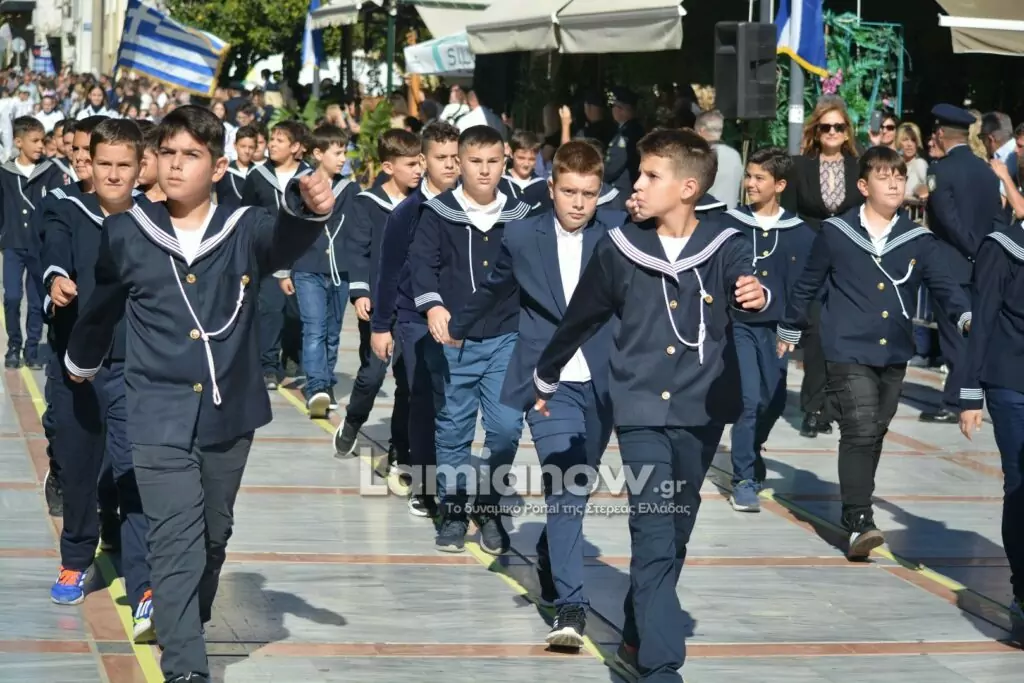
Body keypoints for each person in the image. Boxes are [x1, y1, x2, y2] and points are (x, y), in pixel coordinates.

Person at [62, 105, 336, 683]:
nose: (176, 164)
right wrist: (81, 358)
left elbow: (284, 238)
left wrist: (307, 207)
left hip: (227, 411)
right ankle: (186, 666)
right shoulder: (127, 231)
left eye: (191, 154)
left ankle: (186, 615)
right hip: (155, 409)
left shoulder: (245, 227)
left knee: (212, 534)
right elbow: (102, 304)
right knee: (172, 539)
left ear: (217, 167)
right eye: (167, 153)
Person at [533, 129, 767, 682]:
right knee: (653, 531)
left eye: (650, 175)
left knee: (677, 532)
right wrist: (545, 373)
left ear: (687, 188)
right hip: (638, 409)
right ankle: (662, 668)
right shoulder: (620, 245)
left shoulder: (725, 242)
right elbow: (582, 315)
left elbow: (751, 282)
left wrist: (757, 294)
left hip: (700, 409)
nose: (636, 184)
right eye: (639, 173)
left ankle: (639, 632)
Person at [446, 141, 623, 648]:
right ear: (551, 187)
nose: (578, 203)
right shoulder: (523, 235)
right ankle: (571, 607)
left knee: (577, 487)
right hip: (548, 382)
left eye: (589, 194)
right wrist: (457, 326)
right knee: (566, 485)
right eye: (569, 192)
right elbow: (495, 286)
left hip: (603, 381)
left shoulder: (617, 236)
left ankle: (550, 550)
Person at [777, 146, 970, 559]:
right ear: (864, 186)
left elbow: (945, 287)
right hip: (847, 347)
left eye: (899, 177)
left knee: (876, 430)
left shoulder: (918, 239)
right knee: (860, 427)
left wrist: (966, 316)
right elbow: (808, 282)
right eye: (885, 177)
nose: (895, 184)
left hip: (893, 350)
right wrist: (791, 327)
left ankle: (858, 506)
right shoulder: (837, 232)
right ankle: (858, 520)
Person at [42, 118, 157, 641]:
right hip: (77, 368)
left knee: (135, 471)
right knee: (78, 468)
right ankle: (75, 560)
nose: (112, 174)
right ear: (87, 162)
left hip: (137, 367)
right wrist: (56, 280)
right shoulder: (67, 208)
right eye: (103, 163)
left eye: (123, 165)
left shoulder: (155, 220)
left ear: (140, 166)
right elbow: (53, 252)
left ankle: (145, 584)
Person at [408, 124, 531, 554]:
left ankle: (489, 505)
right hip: (453, 341)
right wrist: (433, 306)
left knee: (506, 428)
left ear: (505, 162)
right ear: (458, 163)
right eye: (475, 161)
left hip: (506, 336)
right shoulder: (437, 212)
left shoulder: (521, 213)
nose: (484, 170)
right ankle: (455, 512)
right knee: (454, 429)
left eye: (493, 161)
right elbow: (421, 266)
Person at [368, 120, 461, 517]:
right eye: (441, 157)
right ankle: (425, 486)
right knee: (423, 397)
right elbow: (388, 272)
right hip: (414, 318)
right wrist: (380, 327)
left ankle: (452, 481)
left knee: (454, 402)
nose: (451, 165)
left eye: (456, 157)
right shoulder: (406, 213)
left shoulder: (470, 207)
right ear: (423, 161)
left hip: (461, 319)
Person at [722, 148, 815, 512]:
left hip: (776, 328)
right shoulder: (729, 224)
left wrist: (793, 327)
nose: (750, 183)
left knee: (773, 401)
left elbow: (804, 288)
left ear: (779, 185)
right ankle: (743, 478)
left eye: (760, 178)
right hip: (738, 326)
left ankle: (751, 448)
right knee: (748, 400)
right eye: (748, 176)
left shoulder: (800, 233)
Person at [333, 129, 420, 463]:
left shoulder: (424, 204)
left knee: (409, 379)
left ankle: (400, 447)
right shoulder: (367, 203)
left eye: (420, 163)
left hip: (412, 305)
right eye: (410, 164)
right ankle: (353, 422)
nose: (418, 170)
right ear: (388, 166)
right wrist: (360, 292)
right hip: (379, 303)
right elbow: (357, 251)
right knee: (372, 374)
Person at [957, 216, 1024, 640]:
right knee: (1020, 483)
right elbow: (983, 318)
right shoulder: (1003, 246)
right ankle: (1022, 591)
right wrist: (970, 395)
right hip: (1012, 382)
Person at [781, 99, 864, 438]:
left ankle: (837, 405)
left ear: (847, 132)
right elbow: (788, 215)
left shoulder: (859, 166)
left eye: (838, 127)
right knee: (815, 334)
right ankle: (813, 409)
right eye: (825, 126)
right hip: (810, 257)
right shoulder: (799, 166)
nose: (832, 132)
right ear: (816, 131)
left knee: (843, 334)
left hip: (848, 259)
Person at [919, 104, 1002, 423]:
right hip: (980, 265)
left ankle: (956, 400)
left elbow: (947, 219)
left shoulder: (939, 170)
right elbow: (997, 217)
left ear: (941, 133)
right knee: (971, 331)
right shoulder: (985, 170)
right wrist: (983, 253)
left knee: (954, 336)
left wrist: (970, 249)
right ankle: (968, 393)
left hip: (950, 264)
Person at [278, 124, 359, 417]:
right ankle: (316, 388)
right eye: (337, 153)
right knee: (314, 329)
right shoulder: (299, 186)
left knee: (333, 333)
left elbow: (358, 231)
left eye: (344, 152)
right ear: (317, 153)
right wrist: (284, 270)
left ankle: (326, 382)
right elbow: (286, 230)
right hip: (307, 266)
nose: (343, 158)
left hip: (340, 269)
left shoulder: (351, 188)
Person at [240, 119, 311, 389]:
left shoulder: (310, 177)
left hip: (303, 253)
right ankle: (268, 366)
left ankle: (293, 356)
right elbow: (246, 213)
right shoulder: (257, 176)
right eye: (271, 139)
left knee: (298, 311)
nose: (272, 144)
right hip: (269, 255)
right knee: (270, 308)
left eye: (280, 141)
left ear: (295, 147)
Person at [1, 116, 63, 369]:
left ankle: (32, 348)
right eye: (35, 141)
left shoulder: (51, 172)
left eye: (42, 140)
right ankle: (14, 345)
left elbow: (58, 207)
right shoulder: (5, 173)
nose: (40, 146)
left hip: (39, 247)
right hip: (13, 244)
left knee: (36, 301)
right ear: (18, 142)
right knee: (12, 297)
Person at [604, 88, 645, 198]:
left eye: (614, 106)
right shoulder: (630, 129)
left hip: (621, 192)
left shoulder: (628, 133)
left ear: (621, 110)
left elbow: (614, 165)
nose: (612, 110)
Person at [214, 124, 258, 207]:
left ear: (256, 148)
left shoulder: (258, 173)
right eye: (243, 146)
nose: (247, 151)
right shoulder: (225, 172)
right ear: (235, 145)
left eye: (251, 147)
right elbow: (219, 198)